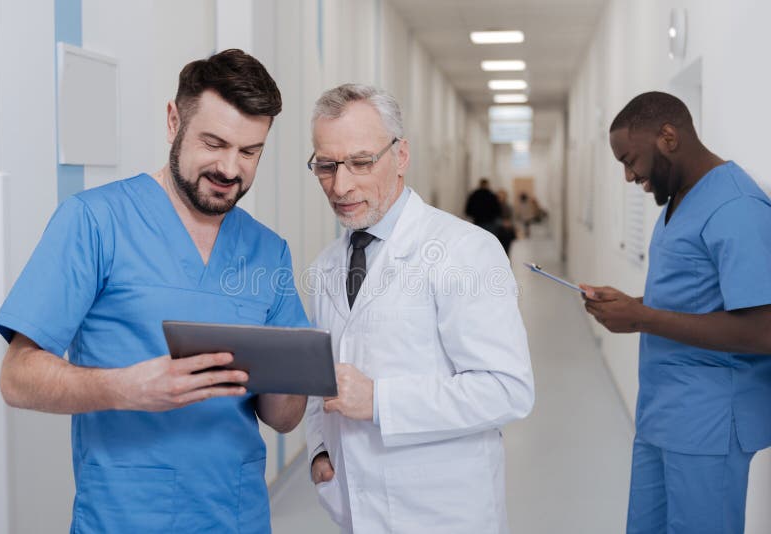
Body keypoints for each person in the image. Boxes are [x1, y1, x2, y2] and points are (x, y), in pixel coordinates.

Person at [0, 49, 309, 533]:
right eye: (214, 142)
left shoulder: (268, 251)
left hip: (238, 515)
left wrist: (306, 372)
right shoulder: (95, 222)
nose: (230, 169)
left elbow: (284, 418)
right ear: (172, 120)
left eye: (250, 152)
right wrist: (124, 387)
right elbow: (17, 377)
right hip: (124, 516)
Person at [303, 83, 534, 533]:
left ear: (401, 156)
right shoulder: (326, 266)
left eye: (361, 162)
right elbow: (321, 378)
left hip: (442, 512)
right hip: (356, 509)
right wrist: (317, 450)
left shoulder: (466, 251)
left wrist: (379, 400)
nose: (341, 184)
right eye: (326, 166)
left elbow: (508, 389)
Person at [581, 91, 771, 534]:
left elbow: (764, 330)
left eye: (631, 160)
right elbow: (694, 302)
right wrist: (630, 307)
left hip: (708, 423)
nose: (630, 177)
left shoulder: (737, 206)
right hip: (661, 414)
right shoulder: (678, 202)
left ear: (667, 136)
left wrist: (642, 318)